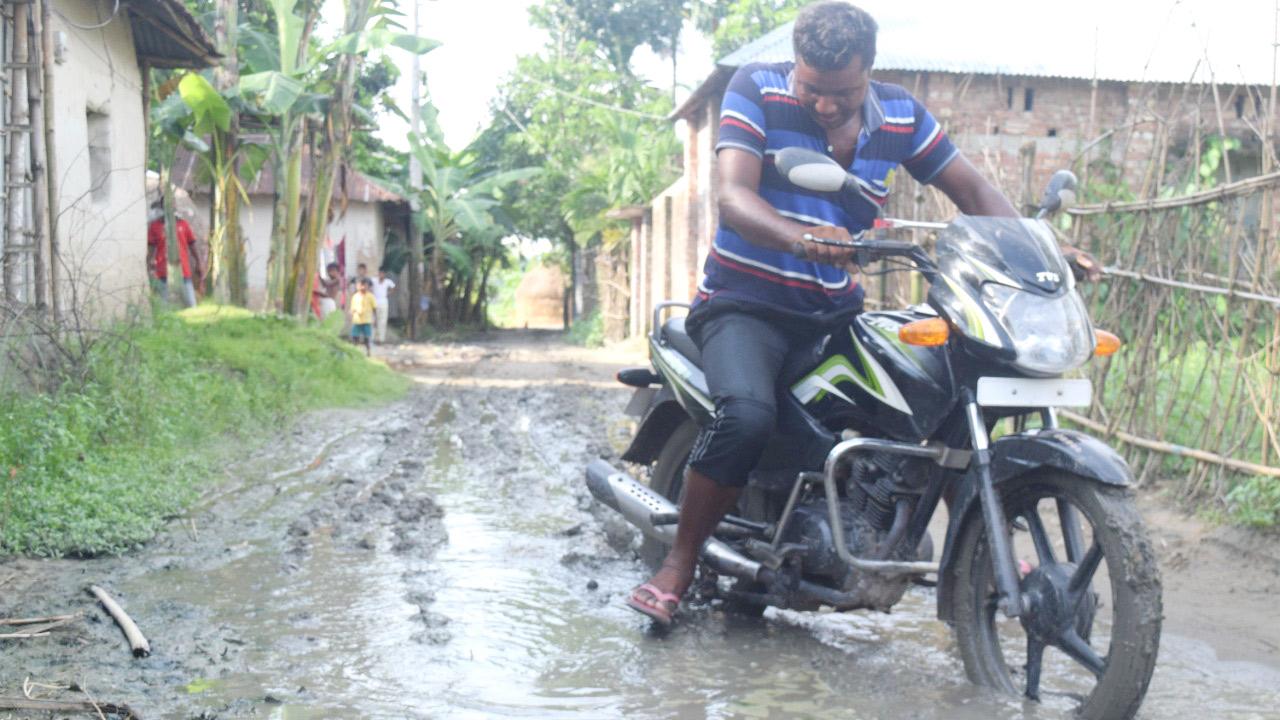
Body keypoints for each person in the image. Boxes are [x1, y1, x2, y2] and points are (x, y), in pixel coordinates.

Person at [625, 1, 1099, 626]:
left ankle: (983, 551)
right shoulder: (758, 89)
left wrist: (1039, 247)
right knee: (746, 415)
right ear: (795, 67)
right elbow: (735, 197)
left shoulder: (899, 113)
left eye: (841, 92)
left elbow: (975, 193)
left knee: (944, 390)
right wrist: (800, 237)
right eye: (812, 88)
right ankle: (678, 565)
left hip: (835, 311)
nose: (823, 104)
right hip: (745, 306)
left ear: (869, 71)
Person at [146, 204, 202, 307]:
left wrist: (198, 263)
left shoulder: (183, 224)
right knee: (165, 306)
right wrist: (148, 265)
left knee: (191, 304)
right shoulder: (155, 226)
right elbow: (151, 249)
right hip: (163, 272)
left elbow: (192, 245)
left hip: (183, 271)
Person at [348, 277, 376, 356]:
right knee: (355, 337)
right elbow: (352, 308)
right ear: (358, 286)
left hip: (367, 320)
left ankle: (368, 352)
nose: (362, 287)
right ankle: (354, 353)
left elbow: (374, 308)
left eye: (365, 285)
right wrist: (351, 313)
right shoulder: (355, 296)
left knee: (367, 338)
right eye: (361, 285)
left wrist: (375, 319)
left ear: (367, 286)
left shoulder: (370, 296)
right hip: (357, 320)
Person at [370, 268, 397, 343]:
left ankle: (380, 339)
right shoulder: (374, 280)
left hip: (384, 303)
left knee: (382, 321)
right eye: (380, 273)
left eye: (382, 273)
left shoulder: (387, 282)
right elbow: (368, 284)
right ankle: (372, 339)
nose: (381, 275)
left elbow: (393, 287)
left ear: (384, 274)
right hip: (374, 303)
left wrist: (388, 293)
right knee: (373, 321)